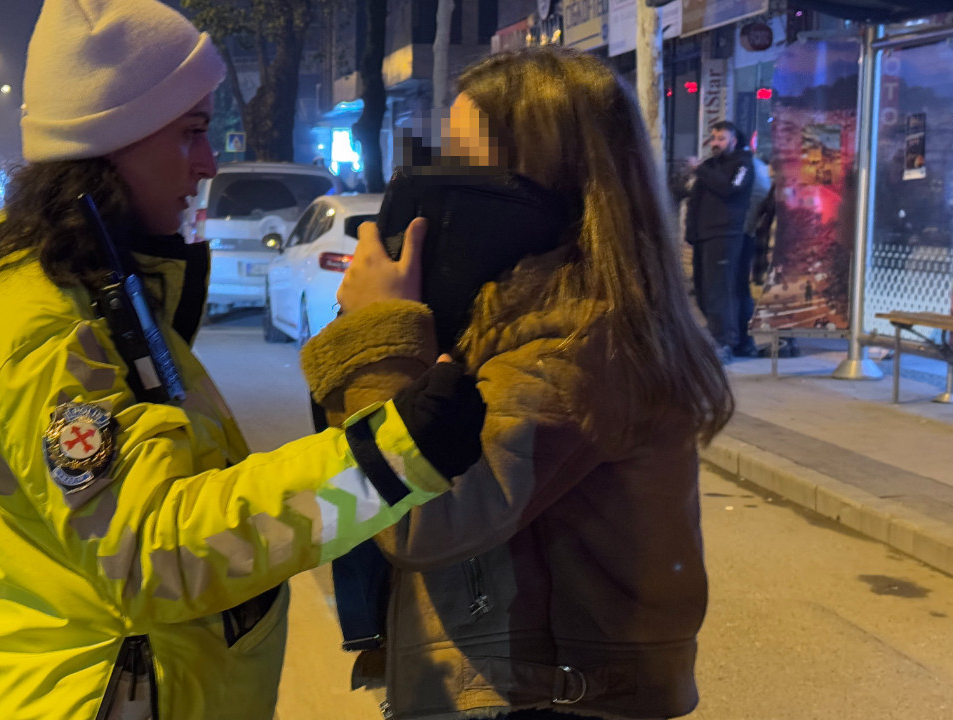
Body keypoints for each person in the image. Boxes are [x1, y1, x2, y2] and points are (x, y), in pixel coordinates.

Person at [0, 2, 486, 719]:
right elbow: (157, 549)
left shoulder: (86, 280)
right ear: (110, 141)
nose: (209, 163)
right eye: (190, 135)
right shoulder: (44, 325)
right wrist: (390, 455)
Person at [300, 47, 734, 720]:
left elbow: (417, 524)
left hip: (540, 700)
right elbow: (345, 493)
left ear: (545, 182)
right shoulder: (508, 311)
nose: (440, 187)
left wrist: (380, 339)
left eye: (467, 167)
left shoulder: (578, 338)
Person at [680, 120, 755, 364]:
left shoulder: (742, 164)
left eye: (721, 138)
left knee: (719, 291)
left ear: (734, 140)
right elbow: (693, 197)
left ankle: (725, 342)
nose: (715, 143)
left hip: (725, 235)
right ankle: (731, 339)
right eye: (713, 138)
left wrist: (700, 170)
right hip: (704, 236)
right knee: (703, 290)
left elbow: (729, 188)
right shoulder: (711, 165)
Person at [735, 152, 773, 357]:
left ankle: (744, 339)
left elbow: (734, 189)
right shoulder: (757, 168)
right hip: (750, 235)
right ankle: (744, 338)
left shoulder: (745, 166)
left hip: (743, 234)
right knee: (741, 290)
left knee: (739, 290)